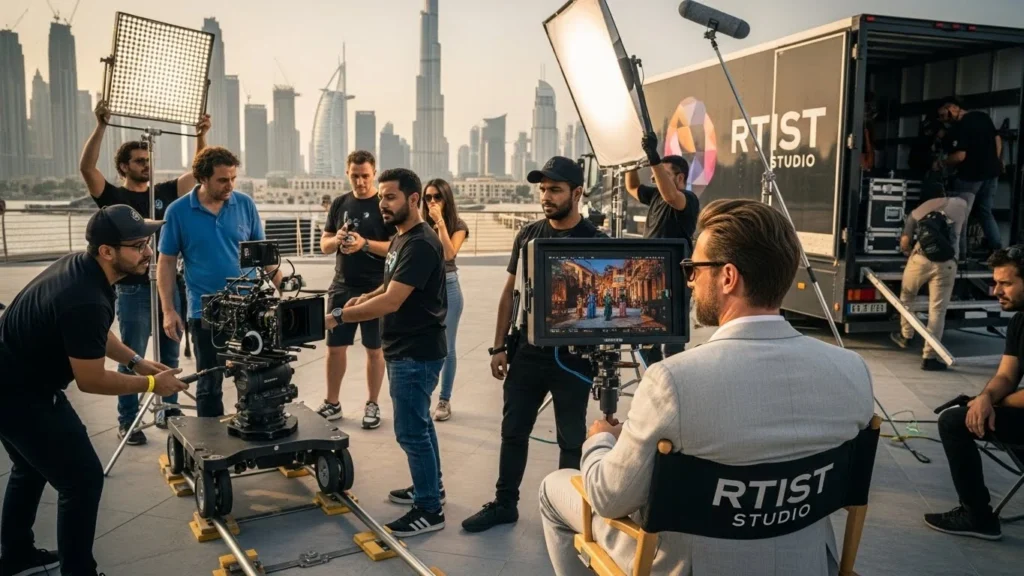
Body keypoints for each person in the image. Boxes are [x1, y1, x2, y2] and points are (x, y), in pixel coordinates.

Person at [538, 198, 875, 575]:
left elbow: (608, 497)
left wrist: (599, 440)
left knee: (554, 487)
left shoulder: (673, 382)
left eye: (694, 268)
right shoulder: (851, 371)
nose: (691, 280)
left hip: (690, 565)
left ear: (728, 277)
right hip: (808, 562)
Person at [0, 205, 187, 576]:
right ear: (107, 251)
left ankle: (16, 556)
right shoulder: (84, 296)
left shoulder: (82, 267)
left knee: (28, 467)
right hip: (21, 394)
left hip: (9, 379)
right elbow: (92, 380)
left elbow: (94, 335)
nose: (148, 252)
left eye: (148, 242)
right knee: (82, 480)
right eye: (137, 245)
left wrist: (137, 361)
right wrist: (152, 383)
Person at [462, 156, 608, 534]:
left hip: (574, 358)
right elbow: (509, 293)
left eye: (555, 189)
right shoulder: (527, 234)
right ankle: (504, 503)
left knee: (571, 439)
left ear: (577, 193)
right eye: (542, 189)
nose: (546, 196)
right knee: (513, 431)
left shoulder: (597, 241)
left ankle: (568, 513)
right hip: (526, 352)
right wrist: (497, 348)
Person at [324, 168, 448, 537]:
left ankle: (429, 509)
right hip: (407, 349)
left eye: (390, 197)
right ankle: (432, 487)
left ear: (413, 200)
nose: (382, 204)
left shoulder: (421, 242)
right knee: (421, 427)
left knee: (411, 432)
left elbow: (393, 300)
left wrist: (339, 314)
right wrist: (363, 297)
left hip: (416, 351)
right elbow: (389, 285)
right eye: (381, 197)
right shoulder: (401, 238)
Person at [79, 100, 210, 444]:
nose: (146, 166)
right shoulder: (113, 196)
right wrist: (101, 125)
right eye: (139, 161)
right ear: (124, 166)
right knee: (133, 354)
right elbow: (86, 168)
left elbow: (198, 173)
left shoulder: (164, 192)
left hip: (168, 286)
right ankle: (128, 420)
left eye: (148, 160)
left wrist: (201, 136)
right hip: (133, 290)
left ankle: (168, 408)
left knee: (169, 352)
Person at [156, 147, 281, 418]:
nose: (230, 186)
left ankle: (251, 432)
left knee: (254, 378)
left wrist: (286, 290)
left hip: (250, 309)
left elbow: (264, 254)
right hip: (206, 313)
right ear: (202, 178)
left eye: (233, 178)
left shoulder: (245, 204)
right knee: (209, 383)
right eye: (223, 180)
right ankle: (210, 448)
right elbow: (165, 262)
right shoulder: (178, 211)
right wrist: (169, 310)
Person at [925, 246, 1024, 541]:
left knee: (953, 423)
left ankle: (977, 516)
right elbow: (1007, 375)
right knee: (962, 415)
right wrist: (983, 399)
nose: (996, 291)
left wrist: (995, 402)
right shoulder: (1020, 321)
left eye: (1006, 283)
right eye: (996, 283)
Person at [317, 151, 396, 428]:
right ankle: (332, 403)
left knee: (375, 350)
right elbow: (323, 244)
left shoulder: (384, 205)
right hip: (342, 286)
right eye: (355, 176)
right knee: (335, 348)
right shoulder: (340, 203)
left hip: (376, 288)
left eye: (365, 175)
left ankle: (372, 404)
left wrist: (364, 244)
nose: (360, 181)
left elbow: (396, 248)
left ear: (374, 173)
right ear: (347, 173)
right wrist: (337, 240)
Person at [625, 135, 700, 361]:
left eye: (663, 175)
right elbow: (633, 186)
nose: (656, 180)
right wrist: (632, 160)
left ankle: (675, 381)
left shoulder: (688, 199)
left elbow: (670, 196)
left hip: (675, 278)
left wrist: (654, 158)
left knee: (673, 341)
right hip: (649, 273)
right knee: (647, 336)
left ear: (680, 178)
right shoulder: (657, 195)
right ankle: (655, 377)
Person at [890, 182, 968, 370]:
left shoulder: (924, 208)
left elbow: (907, 237)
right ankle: (930, 357)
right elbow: (961, 238)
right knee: (937, 310)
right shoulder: (961, 206)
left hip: (921, 260)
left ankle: (906, 335)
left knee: (907, 296)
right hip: (947, 263)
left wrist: (906, 248)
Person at [422, 178, 469, 422]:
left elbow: (450, 253)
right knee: (425, 345)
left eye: (437, 197)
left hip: (448, 286)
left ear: (446, 199)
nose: (432, 202)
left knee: (447, 347)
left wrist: (439, 222)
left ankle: (444, 399)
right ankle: (423, 397)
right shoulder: (419, 224)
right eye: (428, 197)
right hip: (424, 288)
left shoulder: (456, 225)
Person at [939, 100, 1004, 255]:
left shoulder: (960, 126)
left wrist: (941, 162)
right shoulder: (983, 117)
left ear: (953, 108)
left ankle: (959, 255)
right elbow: (998, 139)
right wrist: (994, 160)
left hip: (971, 176)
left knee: (960, 216)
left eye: (943, 115)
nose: (943, 120)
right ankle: (998, 249)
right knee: (985, 211)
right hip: (991, 173)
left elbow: (960, 156)